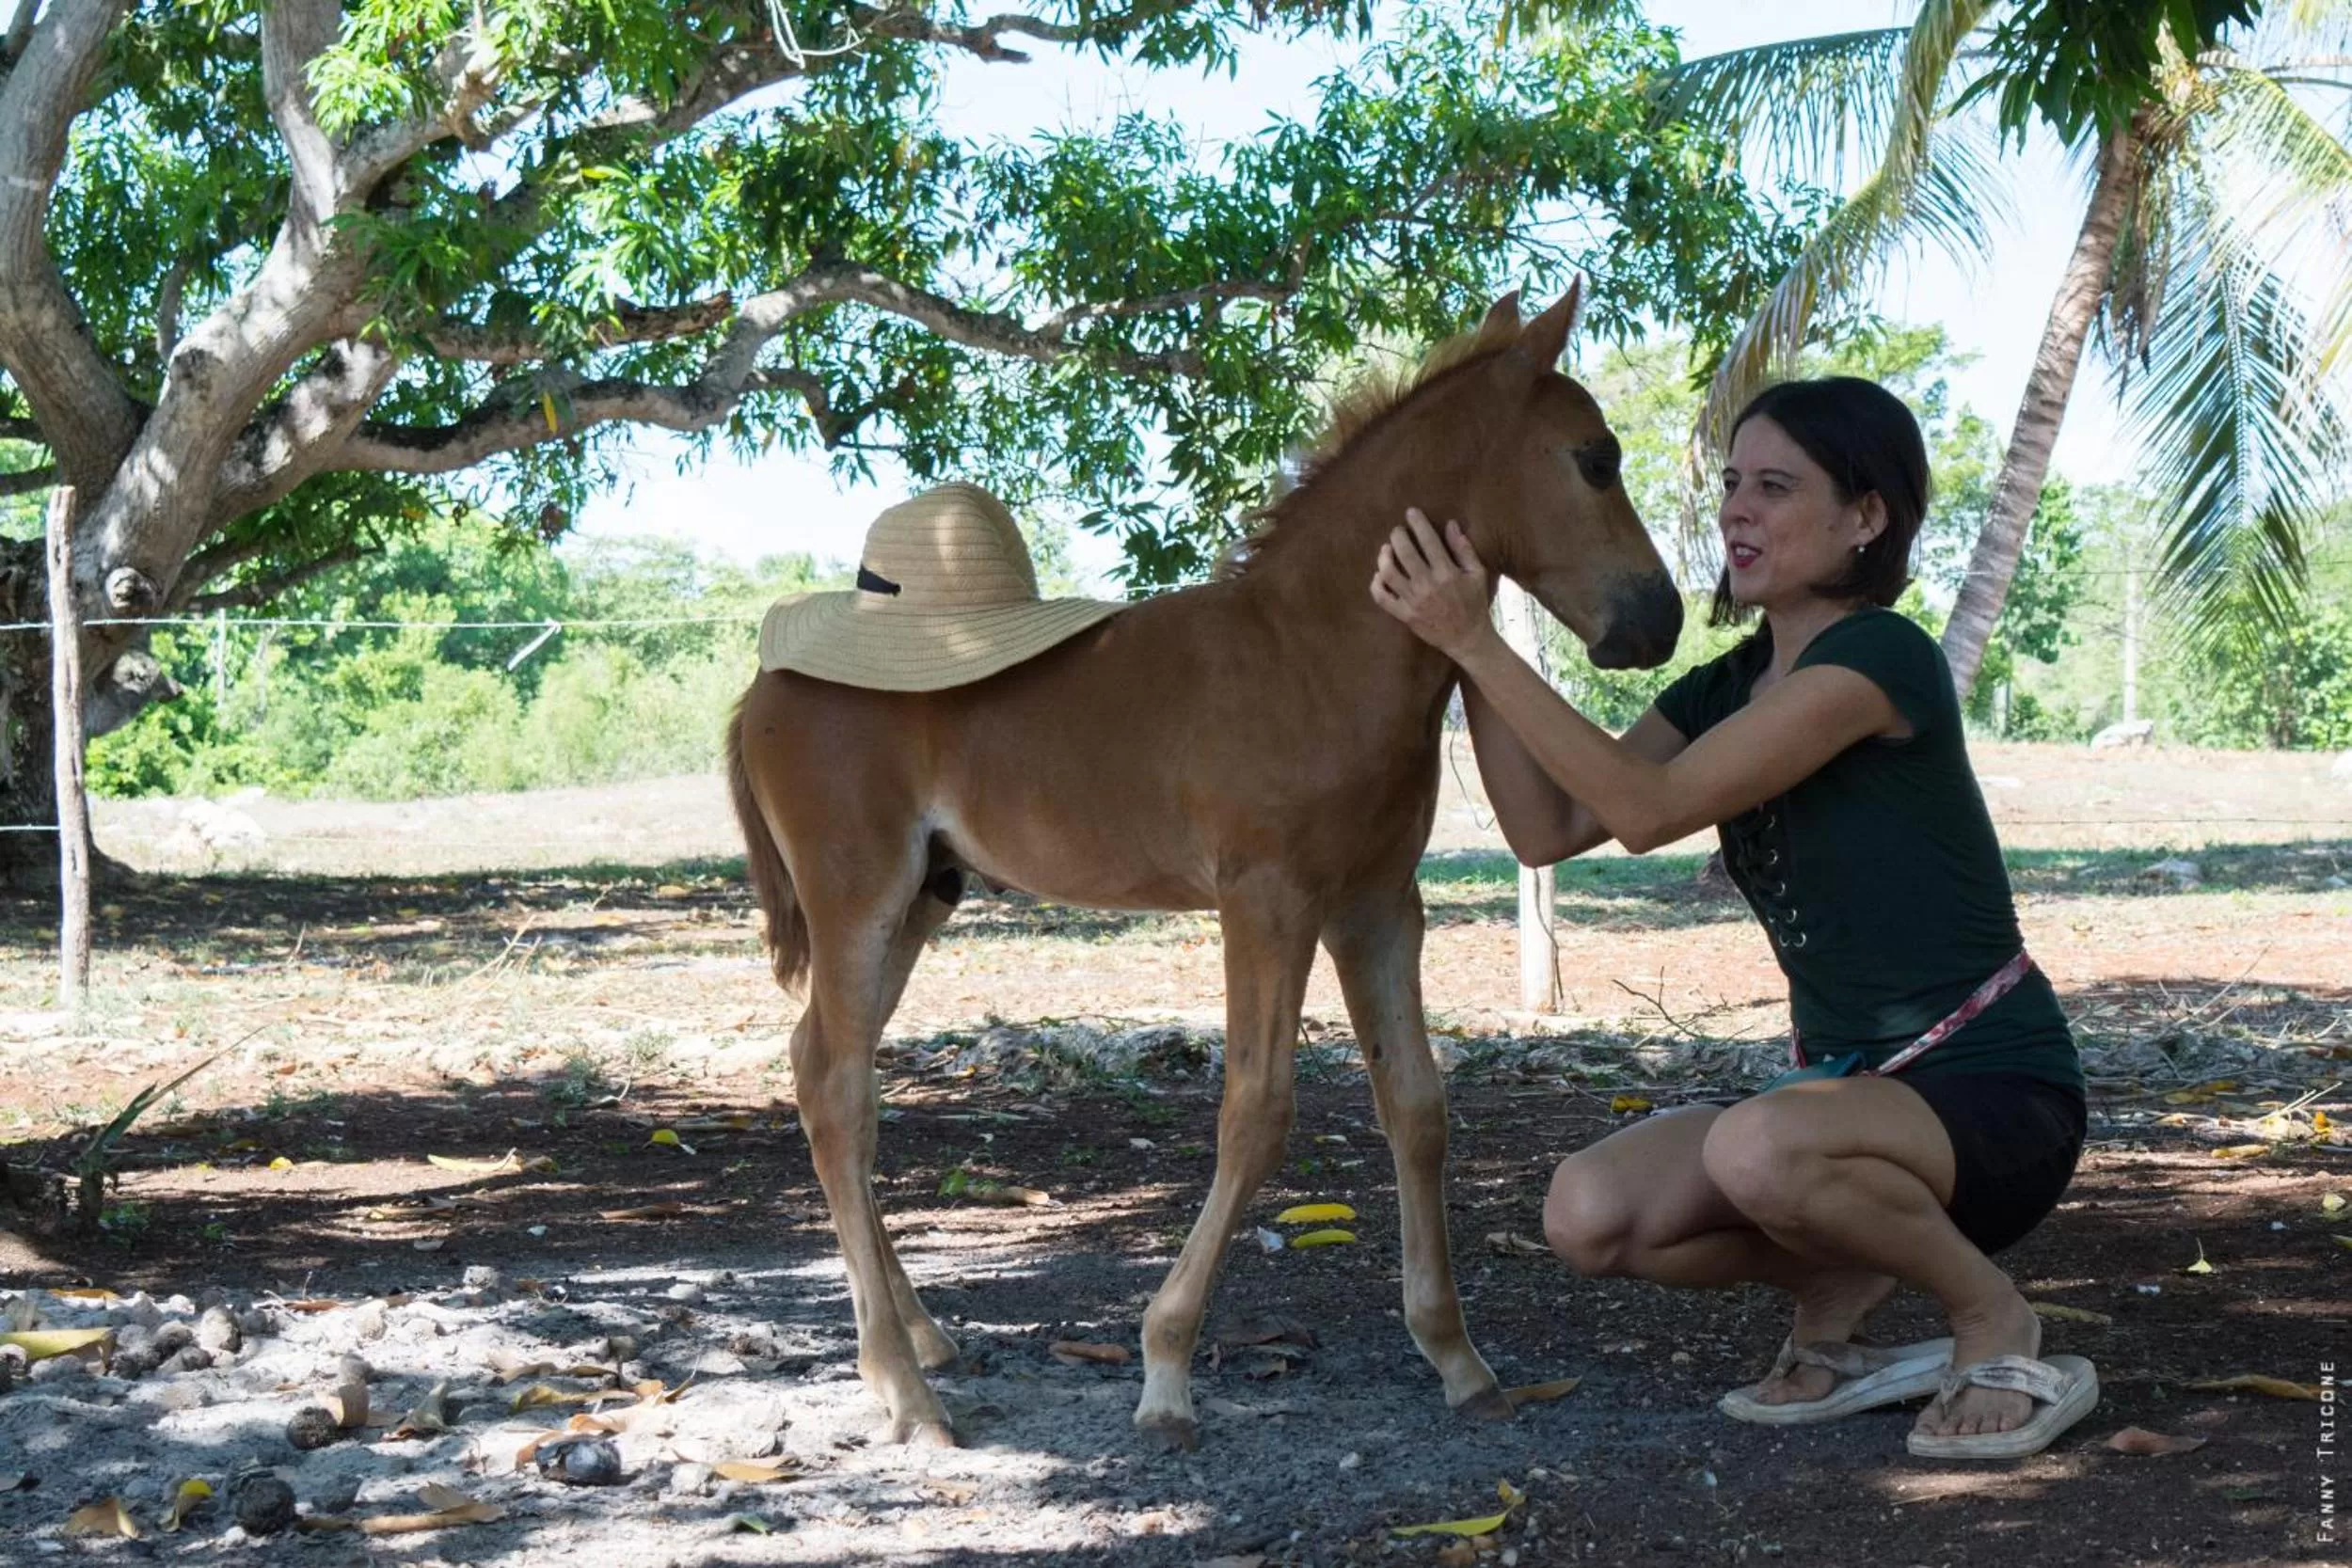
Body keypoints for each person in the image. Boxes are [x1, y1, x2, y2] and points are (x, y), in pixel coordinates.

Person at [1367, 376, 2096, 1460]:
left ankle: (1990, 1314)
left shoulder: (1878, 659)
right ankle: (1839, 1289)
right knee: (1589, 1210)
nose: (1735, 511)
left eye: (1775, 487)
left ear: (1865, 516)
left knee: (1758, 1145)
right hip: (1842, 1103)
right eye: (1730, 484)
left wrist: (1478, 644)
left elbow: (1647, 807)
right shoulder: (1728, 684)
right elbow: (1547, 826)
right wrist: (1466, 633)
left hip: (1993, 1099)